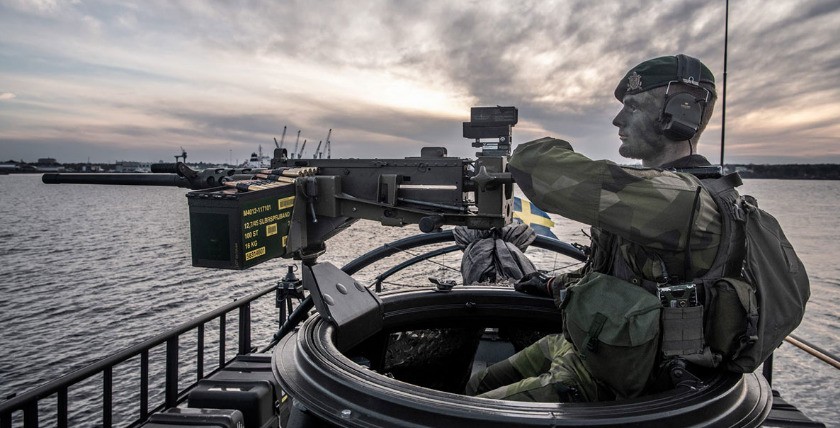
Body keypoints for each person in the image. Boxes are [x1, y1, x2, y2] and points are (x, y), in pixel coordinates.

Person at [465, 54, 728, 402]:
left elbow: (534, 165)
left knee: (468, 413)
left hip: (618, 377)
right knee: (478, 384)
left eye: (632, 107)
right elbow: (619, 279)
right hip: (593, 349)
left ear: (682, 112)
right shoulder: (657, 193)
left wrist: (510, 155)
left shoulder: (680, 200)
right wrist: (552, 284)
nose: (618, 119)